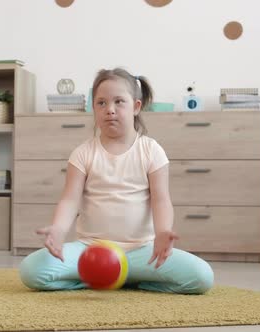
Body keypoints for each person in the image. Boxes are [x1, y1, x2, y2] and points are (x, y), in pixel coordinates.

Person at [19, 68, 214, 294]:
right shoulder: (82, 153)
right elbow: (70, 200)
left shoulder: (151, 150)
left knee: (202, 277)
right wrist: (59, 229)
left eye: (119, 101)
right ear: (94, 108)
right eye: (101, 103)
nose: (110, 110)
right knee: (30, 271)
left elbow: (161, 200)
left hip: (141, 252)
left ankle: (130, 279)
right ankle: (97, 276)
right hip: (90, 251)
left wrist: (162, 232)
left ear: (136, 107)